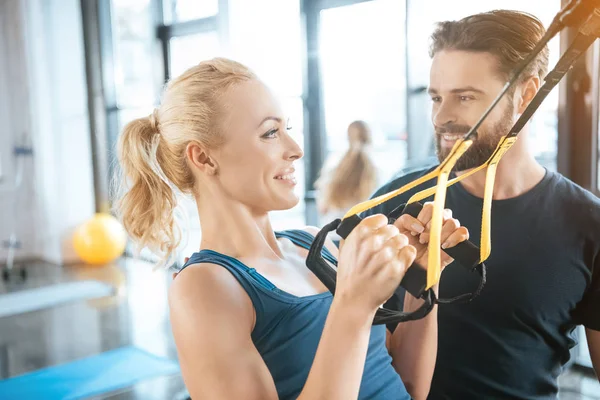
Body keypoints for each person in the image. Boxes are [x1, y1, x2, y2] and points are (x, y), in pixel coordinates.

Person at [113, 58, 470, 400]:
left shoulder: (318, 243)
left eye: (288, 129)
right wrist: (353, 306)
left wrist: (424, 276)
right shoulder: (205, 287)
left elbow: (408, 385)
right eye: (270, 133)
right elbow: (352, 322)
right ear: (204, 158)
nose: (295, 149)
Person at [363, 10, 600, 399]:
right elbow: (360, 356)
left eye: (465, 97)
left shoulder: (588, 224)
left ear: (527, 94)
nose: (442, 117)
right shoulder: (396, 206)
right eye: (437, 97)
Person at [315, 120, 379, 224]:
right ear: (368, 136)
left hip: (332, 231)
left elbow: (322, 208)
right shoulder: (374, 167)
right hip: (360, 233)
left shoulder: (335, 162)